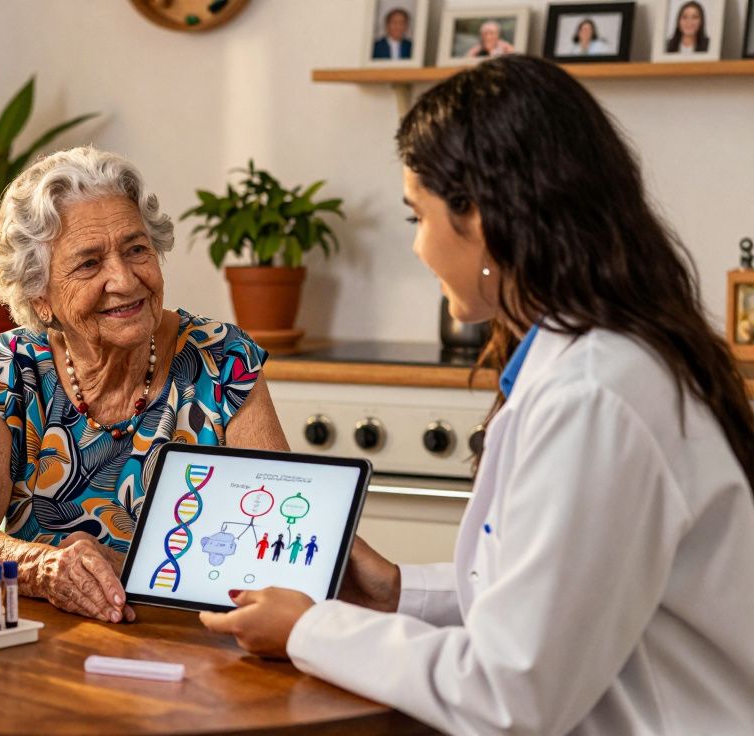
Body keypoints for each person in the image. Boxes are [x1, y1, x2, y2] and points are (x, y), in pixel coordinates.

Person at [201, 55, 754, 734]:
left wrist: (310, 629)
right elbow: (543, 602)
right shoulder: (593, 362)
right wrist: (396, 591)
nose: (418, 247)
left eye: (418, 215)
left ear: (483, 215)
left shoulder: (595, 395)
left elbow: (511, 695)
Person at [0, 146, 288, 624]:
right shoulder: (13, 368)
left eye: (136, 250)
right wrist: (42, 568)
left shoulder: (223, 360)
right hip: (46, 640)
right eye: (89, 263)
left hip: (192, 637)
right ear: (40, 297)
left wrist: (132, 572)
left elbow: (276, 542)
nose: (123, 279)